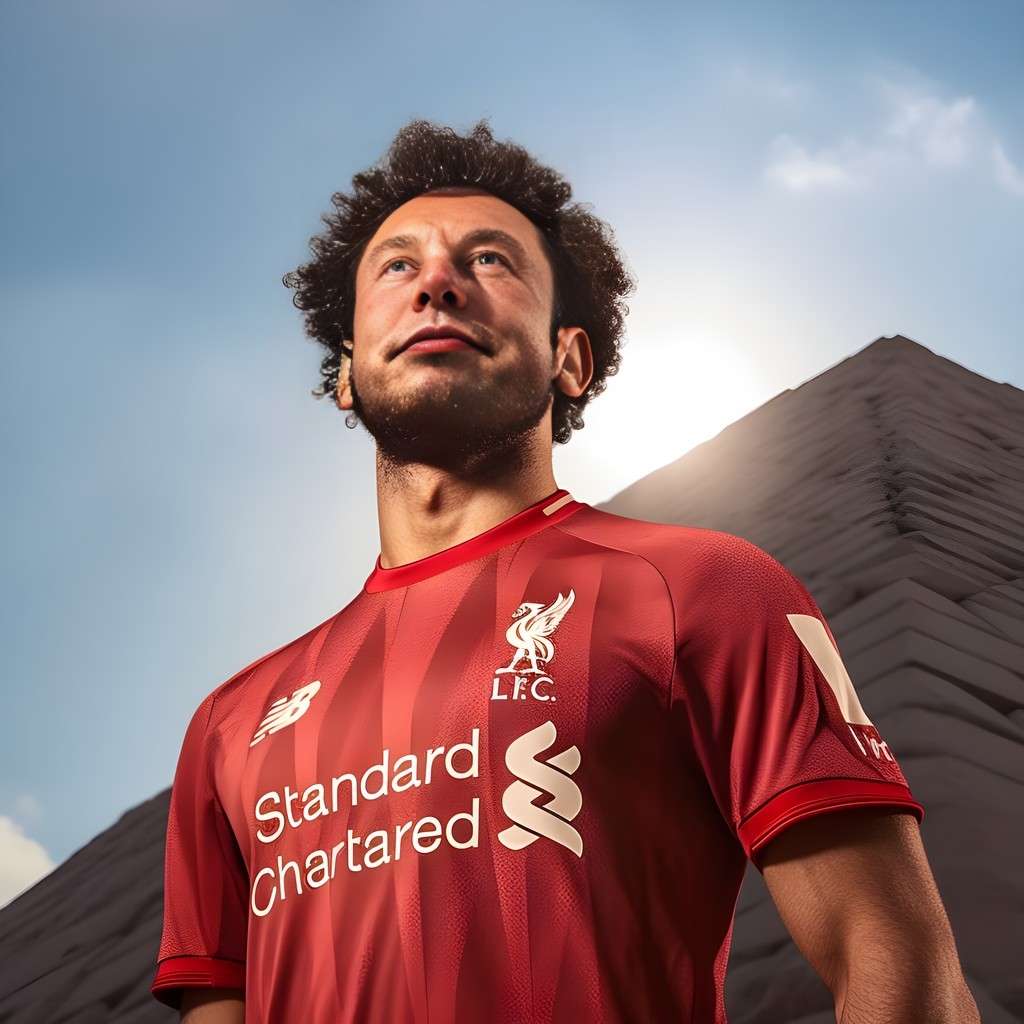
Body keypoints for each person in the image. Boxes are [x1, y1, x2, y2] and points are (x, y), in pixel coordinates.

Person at [152, 121, 979, 1024]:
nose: (437, 282)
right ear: (345, 372)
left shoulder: (698, 592)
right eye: (396, 267)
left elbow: (893, 955)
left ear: (570, 360)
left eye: (491, 261)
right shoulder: (231, 724)